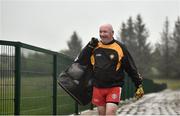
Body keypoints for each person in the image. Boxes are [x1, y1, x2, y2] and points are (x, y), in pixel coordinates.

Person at [86, 24, 144, 115]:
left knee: (110, 112)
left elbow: (130, 67)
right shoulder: (94, 46)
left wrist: (138, 84)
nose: (102, 34)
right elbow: (82, 60)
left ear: (112, 33)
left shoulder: (120, 47)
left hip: (114, 87)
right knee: (102, 114)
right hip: (98, 87)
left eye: (105, 32)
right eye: (100, 32)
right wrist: (88, 47)